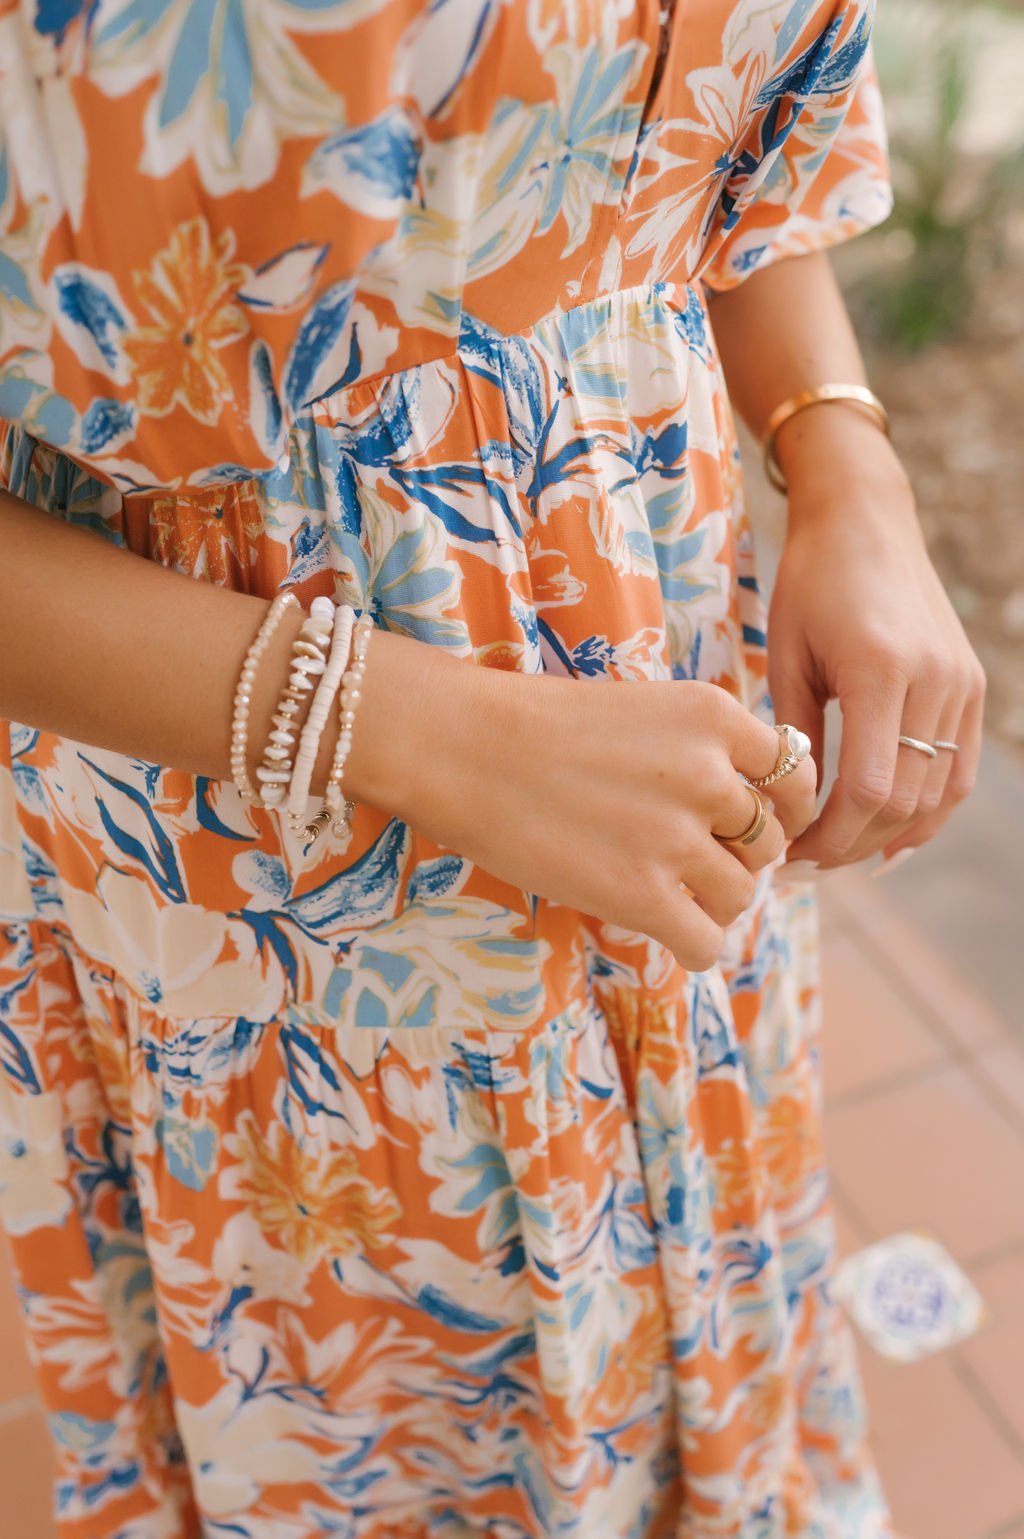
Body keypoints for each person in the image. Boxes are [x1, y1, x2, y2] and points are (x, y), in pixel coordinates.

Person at [0, 2, 983, 1536]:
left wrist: (842, 456)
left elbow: (721, 129)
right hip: (264, 856)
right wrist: (413, 732)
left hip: (669, 635)